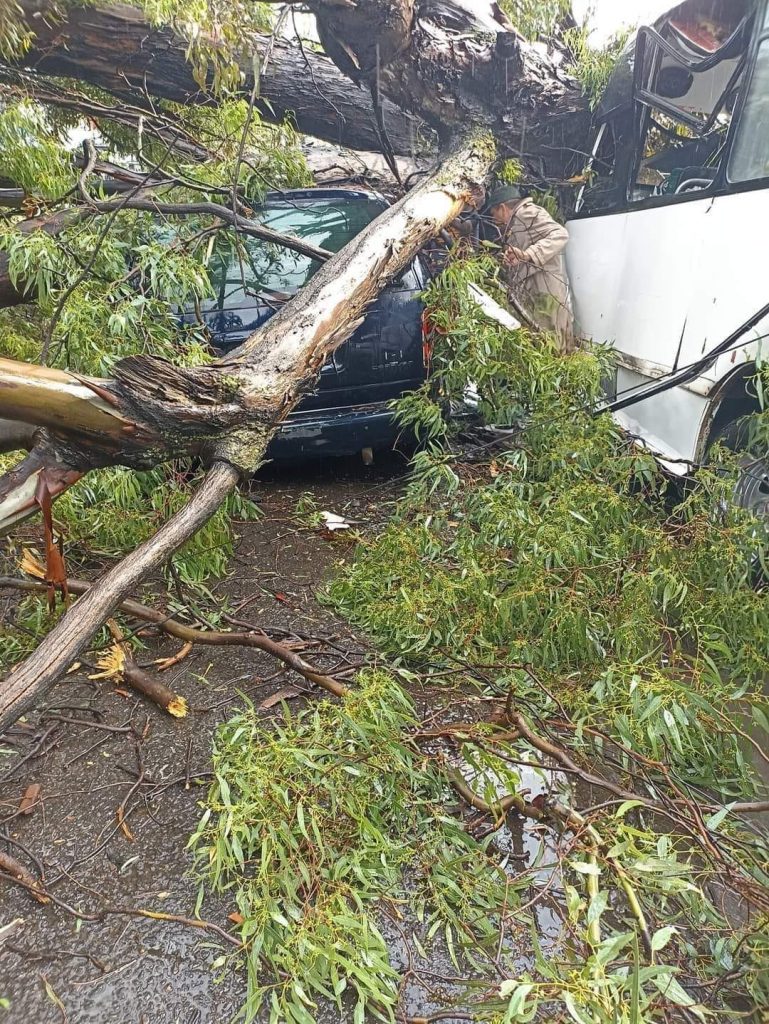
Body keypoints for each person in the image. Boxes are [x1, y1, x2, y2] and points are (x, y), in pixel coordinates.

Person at [484, 185, 575, 354]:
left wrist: (528, 254)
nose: (494, 218)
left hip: (545, 294)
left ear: (502, 208)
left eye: (493, 213)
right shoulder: (515, 222)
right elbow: (524, 254)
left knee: (554, 348)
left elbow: (560, 234)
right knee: (543, 348)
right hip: (534, 297)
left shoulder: (526, 213)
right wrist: (512, 261)